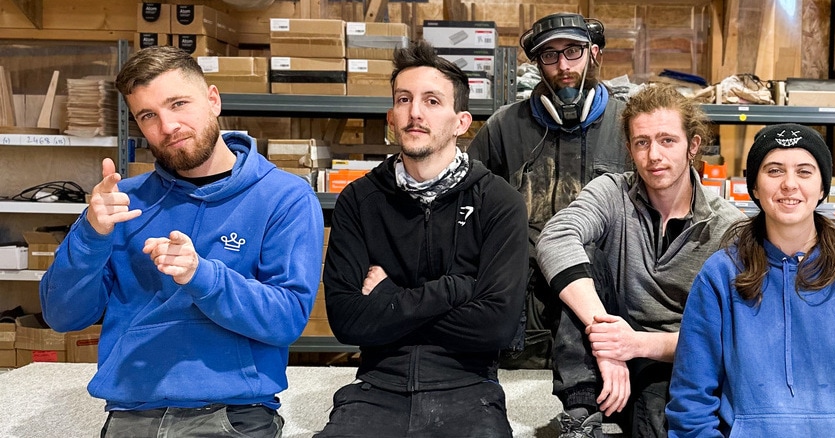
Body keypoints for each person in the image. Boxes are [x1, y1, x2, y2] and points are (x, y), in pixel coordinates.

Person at [39, 46, 323, 437]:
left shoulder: (283, 196)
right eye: (148, 115)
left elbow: (287, 319)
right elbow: (62, 316)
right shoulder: (121, 204)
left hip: (233, 414)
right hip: (131, 413)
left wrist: (202, 275)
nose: (168, 126)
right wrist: (90, 234)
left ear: (213, 100)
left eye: (178, 104)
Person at [316, 39, 528, 437]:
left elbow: (498, 327)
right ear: (391, 117)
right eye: (404, 100)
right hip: (376, 387)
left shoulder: (498, 201)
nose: (415, 113)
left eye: (432, 101)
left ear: (461, 122)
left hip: (469, 387)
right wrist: (454, 290)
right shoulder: (359, 201)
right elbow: (346, 322)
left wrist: (387, 299)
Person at [667, 124, 835, 437]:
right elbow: (690, 400)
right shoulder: (721, 276)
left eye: (804, 171)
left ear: (822, 186)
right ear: (754, 187)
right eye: (774, 170)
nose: (789, 184)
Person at [537, 84, 746, 437]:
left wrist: (635, 344)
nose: (654, 156)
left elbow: (728, 336)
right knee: (578, 258)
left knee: (656, 422)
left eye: (667, 140)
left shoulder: (728, 228)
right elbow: (555, 237)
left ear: (692, 146)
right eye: (642, 142)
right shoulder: (611, 191)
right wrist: (608, 341)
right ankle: (581, 413)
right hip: (606, 348)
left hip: (673, 358)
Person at [470, 12, 629, 367]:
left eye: (573, 51)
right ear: (538, 64)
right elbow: (464, 203)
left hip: (603, 303)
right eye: (550, 55)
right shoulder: (504, 127)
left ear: (594, 53)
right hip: (524, 308)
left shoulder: (629, 127)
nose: (563, 65)